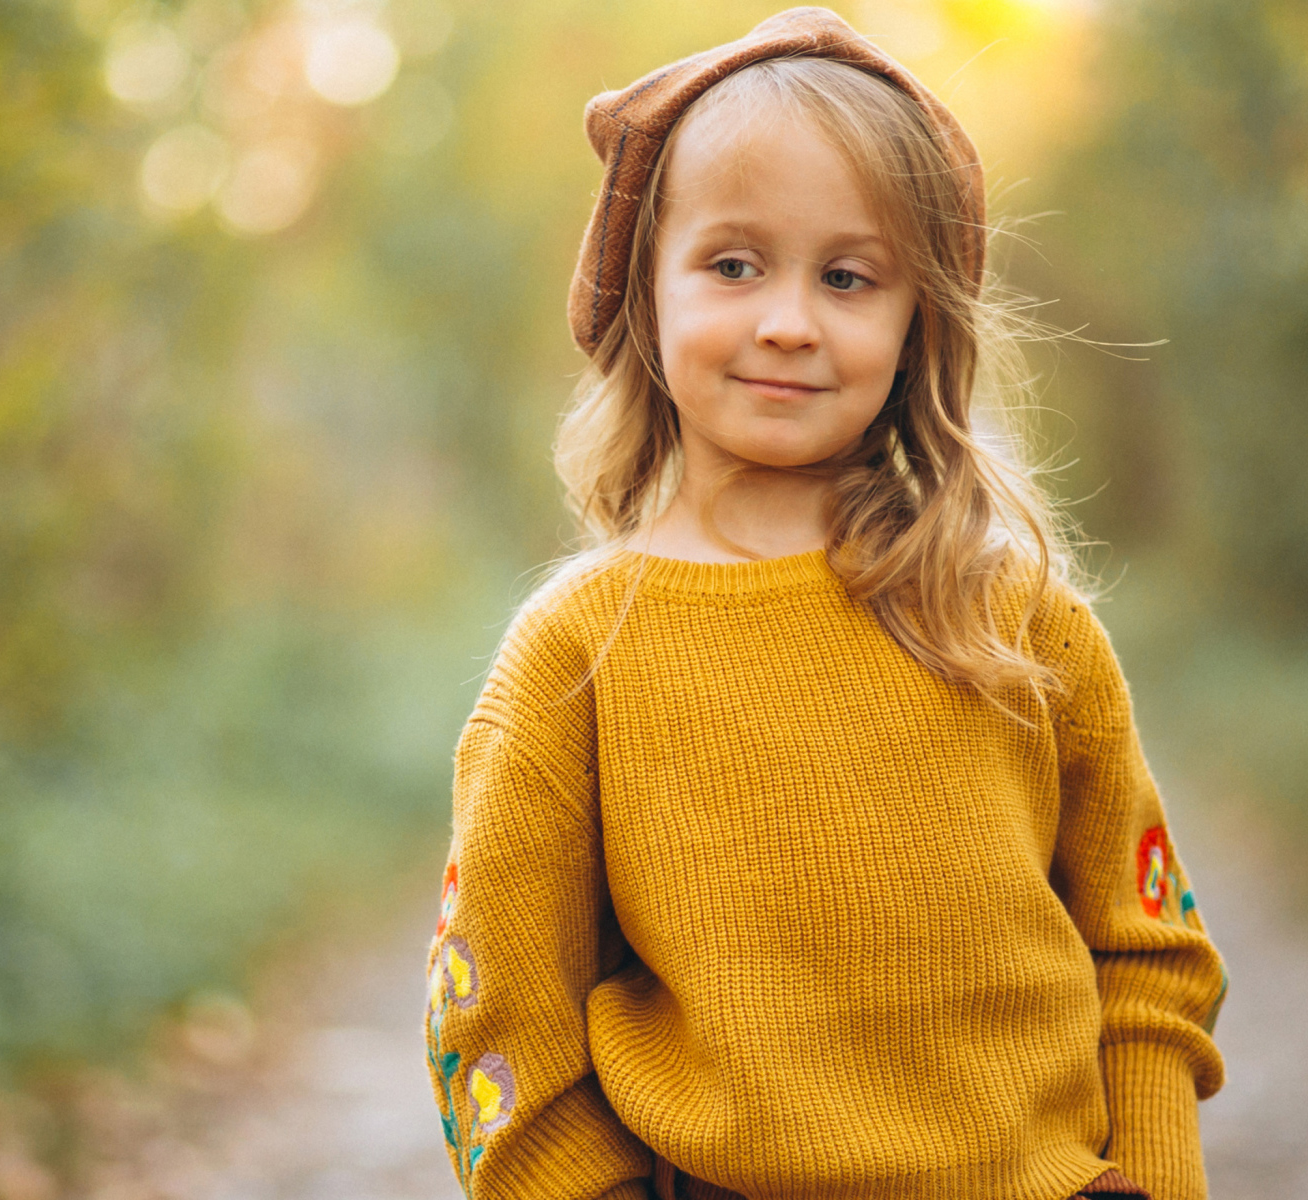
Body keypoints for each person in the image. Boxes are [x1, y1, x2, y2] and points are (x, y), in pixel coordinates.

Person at [422, 9, 1227, 1200]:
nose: (788, 321)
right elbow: (496, 1013)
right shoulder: (579, 654)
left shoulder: (1015, 618)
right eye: (733, 263)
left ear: (916, 328)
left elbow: (1144, 953)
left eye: (847, 277)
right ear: (645, 291)